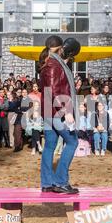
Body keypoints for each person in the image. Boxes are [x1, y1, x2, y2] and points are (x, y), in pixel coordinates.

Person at [40, 36, 80, 194]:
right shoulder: (54, 65)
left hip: (49, 111)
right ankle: (60, 181)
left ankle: (47, 182)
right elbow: (54, 90)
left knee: (49, 145)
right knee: (72, 142)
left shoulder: (49, 63)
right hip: (56, 112)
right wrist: (66, 112)